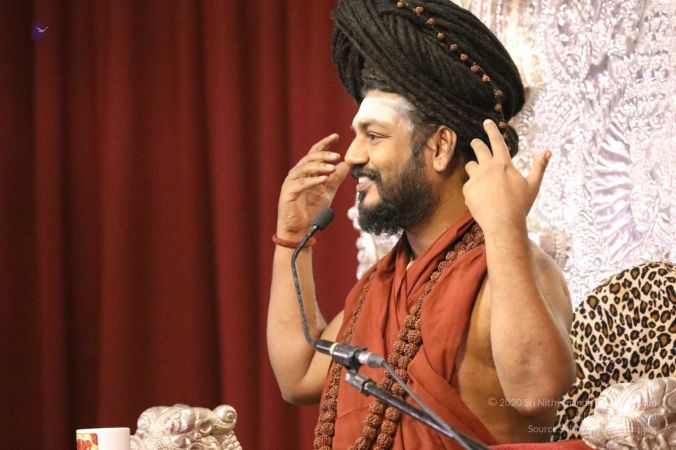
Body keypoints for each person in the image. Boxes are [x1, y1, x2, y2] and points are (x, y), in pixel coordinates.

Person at [267, 1, 576, 448]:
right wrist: (292, 239)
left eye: (374, 136)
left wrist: (505, 229)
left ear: (440, 147)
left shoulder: (511, 267)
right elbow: (298, 375)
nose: (353, 155)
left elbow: (536, 392)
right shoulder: (387, 283)